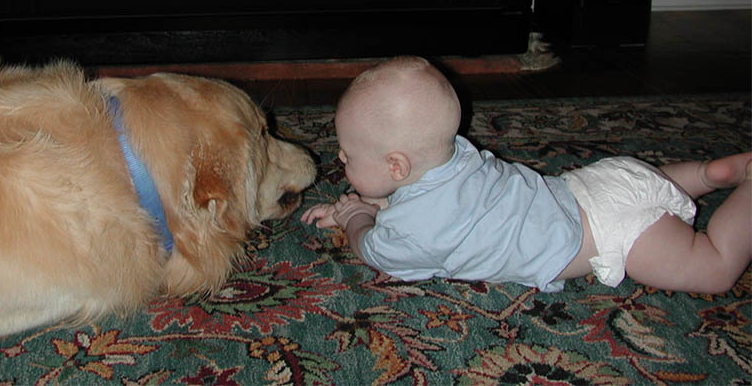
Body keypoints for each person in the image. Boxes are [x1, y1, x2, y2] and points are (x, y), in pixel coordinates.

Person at [301, 56, 752, 294]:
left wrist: (355, 219)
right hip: (605, 181)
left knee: (712, 266)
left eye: (347, 156)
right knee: (651, 185)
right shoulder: (457, 156)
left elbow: (376, 249)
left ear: (397, 165)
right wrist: (371, 201)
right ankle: (707, 174)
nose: (340, 161)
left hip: (617, 231)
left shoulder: (413, 235)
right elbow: (422, 198)